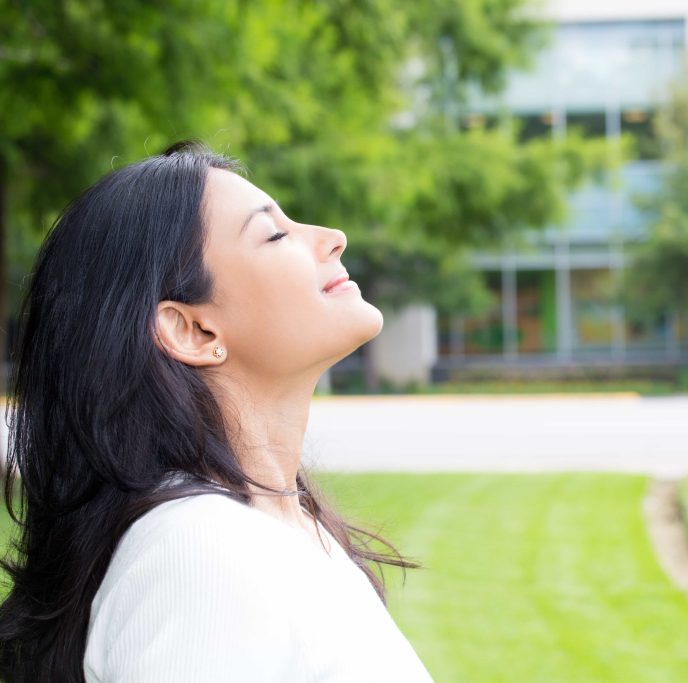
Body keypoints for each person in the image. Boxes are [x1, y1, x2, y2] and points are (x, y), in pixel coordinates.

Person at [0, 140, 436, 682]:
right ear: (193, 329)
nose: (332, 238)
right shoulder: (199, 551)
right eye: (275, 233)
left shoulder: (286, 529)